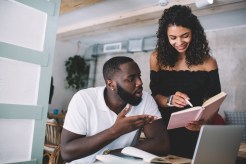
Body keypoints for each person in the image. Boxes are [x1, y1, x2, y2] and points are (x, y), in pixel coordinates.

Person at [61, 56, 170, 163]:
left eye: (139, 76)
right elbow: (67, 153)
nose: (140, 82)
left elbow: (161, 144)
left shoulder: (145, 99)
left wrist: (115, 153)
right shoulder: (84, 99)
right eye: (131, 79)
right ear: (111, 84)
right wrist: (115, 131)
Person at [150, 5, 221, 158]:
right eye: (173, 38)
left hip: (193, 129)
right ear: (165, 37)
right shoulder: (157, 58)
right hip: (164, 129)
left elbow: (214, 101)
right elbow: (154, 95)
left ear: (194, 33)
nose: (179, 42)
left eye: (185, 35)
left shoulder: (208, 62)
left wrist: (204, 122)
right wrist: (169, 100)